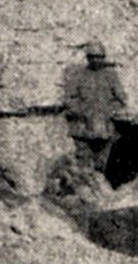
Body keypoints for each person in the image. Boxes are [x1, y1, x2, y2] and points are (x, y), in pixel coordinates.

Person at [52, 40, 127, 197]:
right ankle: (84, 195)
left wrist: (109, 111)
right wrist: (83, 112)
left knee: (101, 164)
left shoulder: (111, 76)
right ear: (88, 58)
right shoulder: (78, 76)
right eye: (93, 57)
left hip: (104, 128)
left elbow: (121, 99)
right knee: (84, 164)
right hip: (83, 129)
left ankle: (100, 193)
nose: (96, 60)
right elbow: (69, 99)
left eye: (99, 57)